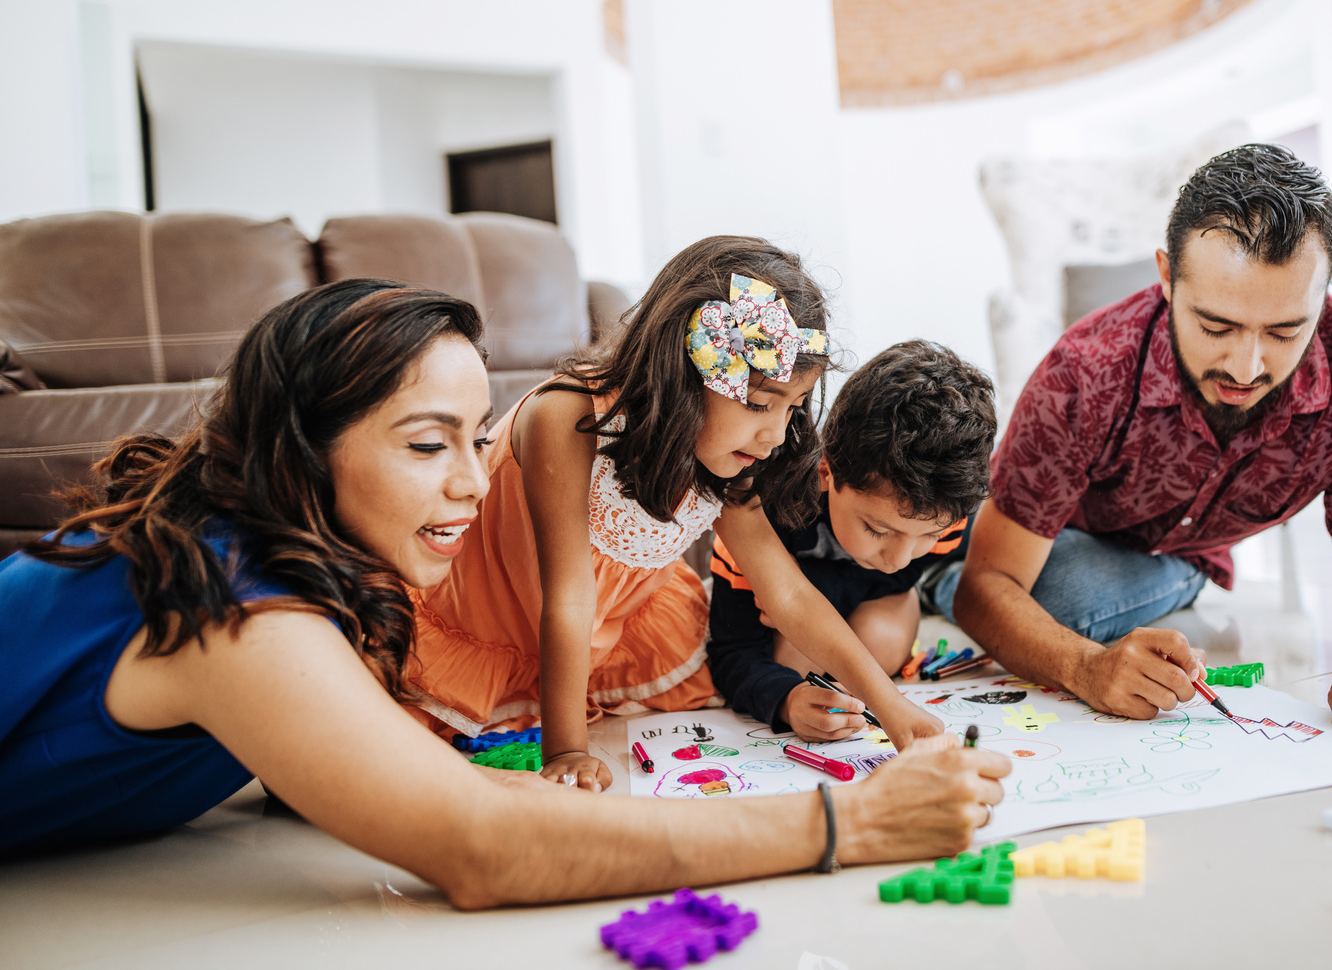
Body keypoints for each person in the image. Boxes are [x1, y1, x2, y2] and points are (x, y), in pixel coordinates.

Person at [0, 279, 1008, 898]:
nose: (477, 485)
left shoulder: (307, 575)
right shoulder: (241, 607)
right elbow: (479, 845)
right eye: (426, 444)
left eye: (476, 439)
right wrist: (852, 825)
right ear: (300, 453)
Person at [948, 144, 1332, 742]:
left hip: (1178, 556)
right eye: (1216, 326)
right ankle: (937, 556)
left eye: (1284, 330)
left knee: (1063, 595)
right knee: (1041, 588)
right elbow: (987, 585)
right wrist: (1084, 668)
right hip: (1047, 532)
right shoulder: (1085, 371)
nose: (1246, 367)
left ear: (1323, 294)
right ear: (1168, 277)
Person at [406, 236, 945, 792]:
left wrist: (891, 707)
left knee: (724, 702)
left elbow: (787, 594)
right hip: (493, 619)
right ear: (683, 372)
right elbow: (567, 597)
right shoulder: (565, 417)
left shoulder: (735, 455)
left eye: (793, 407)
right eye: (759, 403)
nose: (776, 434)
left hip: (611, 632)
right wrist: (567, 750)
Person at [707, 340, 996, 736]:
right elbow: (731, 651)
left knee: (882, 642)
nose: (900, 557)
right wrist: (788, 700)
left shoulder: (945, 508)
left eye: (928, 535)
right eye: (877, 529)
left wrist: (821, 587)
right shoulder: (763, 510)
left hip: (872, 596)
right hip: (781, 607)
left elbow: (894, 574)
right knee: (792, 657)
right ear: (827, 472)